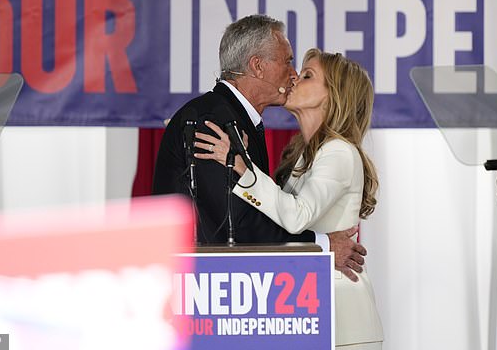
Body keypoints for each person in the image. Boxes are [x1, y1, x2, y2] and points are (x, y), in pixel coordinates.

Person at [194, 48, 384, 348]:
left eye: (308, 75)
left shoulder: (338, 151)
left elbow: (296, 217)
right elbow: (274, 217)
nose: (294, 77)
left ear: (333, 95)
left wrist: (243, 167)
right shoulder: (303, 155)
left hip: (342, 317)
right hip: (309, 307)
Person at [153, 14, 366, 280]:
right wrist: (323, 245)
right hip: (205, 289)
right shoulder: (213, 121)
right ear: (258, 66)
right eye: (287, 61)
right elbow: (236, 227)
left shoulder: (232, 118)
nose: (294, 74)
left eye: (305, 73)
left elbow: (255, 217)